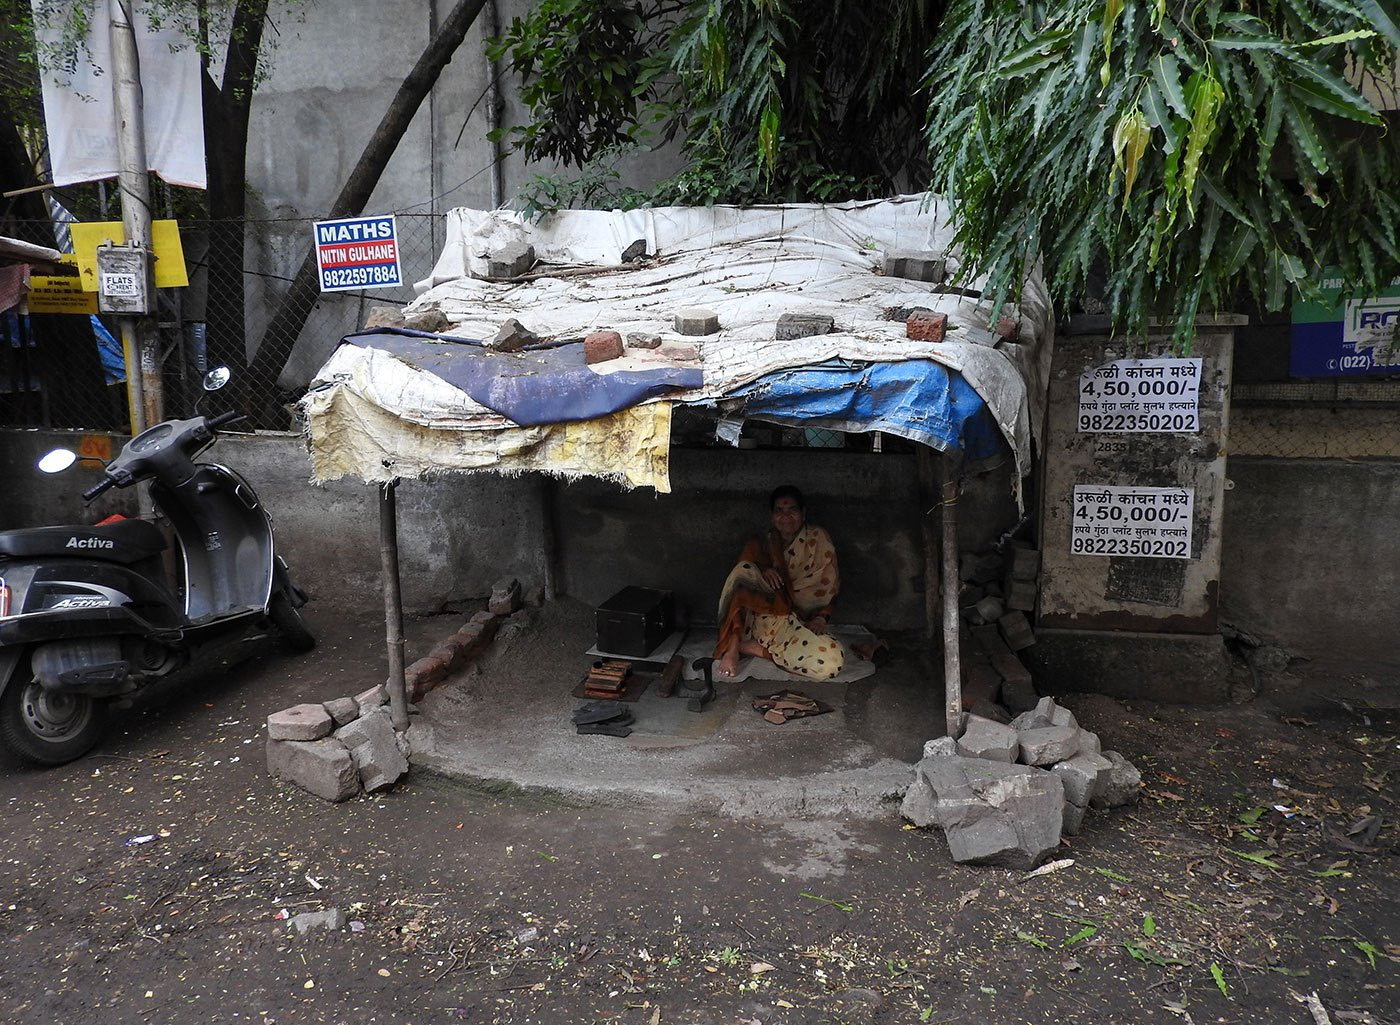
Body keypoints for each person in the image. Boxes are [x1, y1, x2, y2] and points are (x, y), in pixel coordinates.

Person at [713, 485, 846, 681]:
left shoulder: (818, 539)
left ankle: (751, 648)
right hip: (760, 621)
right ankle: (733, 647)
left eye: (792, 510)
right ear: (772, 516)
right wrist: (762, 571)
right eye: (779, 511)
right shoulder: (761, 543)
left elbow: (829, 587)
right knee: (744, 571)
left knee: (832, 660)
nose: (785, 516)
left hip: (798, 623)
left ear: (803, 513)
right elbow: (738, 592)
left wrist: (821, 618)